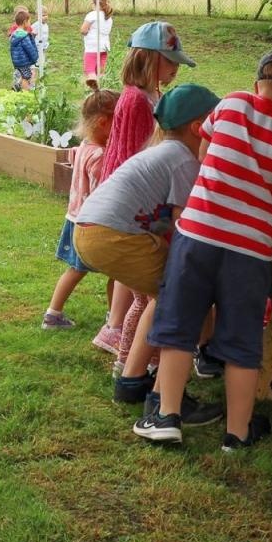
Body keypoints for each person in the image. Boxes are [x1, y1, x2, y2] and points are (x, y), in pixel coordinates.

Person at [136, 48, 272, 451]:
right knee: (241, 341)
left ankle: (167, 416)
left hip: (197, 235)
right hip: (250, 251)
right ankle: (237, 435)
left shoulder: (234, 102)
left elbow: (204, 152)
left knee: (179, 327)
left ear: (257, 84)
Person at [77, 84, 222, 418]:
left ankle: (132, 381)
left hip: (93, 231)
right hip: (113, 234)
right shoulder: (183, 160)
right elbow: (186, 224)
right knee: (183, 298)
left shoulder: (165, 152)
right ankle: (166, 398)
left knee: (164, 297)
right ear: (200, 127)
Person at [93, 21, 197, 358]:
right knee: (144, 287)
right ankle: (122, 342)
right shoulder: (136, 99)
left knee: (139, 282)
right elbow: (132, 153)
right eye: (171, 62)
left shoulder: (154, 96)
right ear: (151, 59)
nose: (176, 69)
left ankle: (119, 332)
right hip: (134, 199)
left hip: (142, 195)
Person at [41, 88, 117, 330]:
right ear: (104, 123)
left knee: (75, 269)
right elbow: (105, 188)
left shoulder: (84, 146)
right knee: (118, 272)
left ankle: (53, 314)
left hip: (75, 219)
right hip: (94, 224)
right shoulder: (100, 156)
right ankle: (115, 318)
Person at [80, 0, 116, 86]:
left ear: (96, 4)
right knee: (100, 71)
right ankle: (102, 89)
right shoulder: (108, 17)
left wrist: (87, 32)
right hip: (104, 47)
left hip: (92, 47)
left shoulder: (92, 15)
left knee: (90, 70)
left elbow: (83, 30)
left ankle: (93, 90)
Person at [10, 8, 41, 91]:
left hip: (17, 61)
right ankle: (25, 92)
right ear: (24, 22)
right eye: (29, 21)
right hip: (24, 62)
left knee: (23, 74)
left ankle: (17, 86)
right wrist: (35, 57)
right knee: (26, 76)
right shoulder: (24, 36)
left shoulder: (14, 34)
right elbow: (29, 49)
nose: (30, 24)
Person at [32, 8, 50, 76]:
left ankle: (41, 73)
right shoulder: (36, 25)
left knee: (42, 61)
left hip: (43, 46)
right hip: (37, 47)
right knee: (37, 62)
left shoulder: (46, 25)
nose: (45, 17)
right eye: (43, 15)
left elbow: (45, 36)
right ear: (37, 17)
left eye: (46, 15)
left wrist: (46, 44)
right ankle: (35, 72)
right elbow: (32, 35)